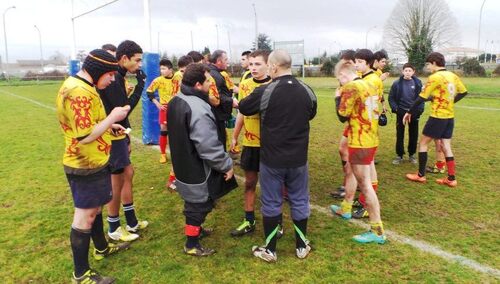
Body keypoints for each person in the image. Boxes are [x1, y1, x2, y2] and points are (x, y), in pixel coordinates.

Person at [56, 49, 131, 283]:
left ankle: (101, 248)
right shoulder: (79, 91)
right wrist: (113, 118)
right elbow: (85, 135)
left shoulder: (85, 86)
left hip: (94, 160)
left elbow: (89, 123)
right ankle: (81, 274)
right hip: (84, 164)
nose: (111, 79)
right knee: (85, 216)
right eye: (109, 74)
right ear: (98, 71)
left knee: (96, 208)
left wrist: (108, 128)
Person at [239, 49, 317, 262]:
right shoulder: (306, 89)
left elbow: (245, 107)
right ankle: (301, 246)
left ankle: (270, 250)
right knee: (300, 200)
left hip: (272, 159)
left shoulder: (266, 90)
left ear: (273, 67)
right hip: (298, 159)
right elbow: (311, 112)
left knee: (272, 202)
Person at [167, 63, 237, 256]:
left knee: (193, 202)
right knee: (198, 205)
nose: (210, 84)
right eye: (207, 81)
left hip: (182, 162)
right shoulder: (197, 107)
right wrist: (226, 165)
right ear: (198, 84)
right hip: (196, 166)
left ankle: (196, 230)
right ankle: (191, 244)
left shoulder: (177, 99)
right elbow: (207, 145)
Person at [330, 60, 387, 244]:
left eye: (339, 79)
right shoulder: (369, 82)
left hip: (360, 141)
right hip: (371, 137)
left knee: (365, 185)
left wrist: (337, 97)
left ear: (343, 75)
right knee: (357, 177)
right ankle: (346, 208)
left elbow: (342, 116)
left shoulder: (351, 87)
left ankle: (377, 230)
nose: (340, 83)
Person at [99, 40, 148, 242]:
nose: (139, 65)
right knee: (117, 179)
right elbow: (124, 108)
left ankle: (131, 220)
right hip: (111, 135)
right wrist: (141, 86)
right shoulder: (114, 79)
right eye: (136, 61)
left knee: (128, 172)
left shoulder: (118, 77)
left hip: (119, 133)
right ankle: (114, 227)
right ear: (124, 59)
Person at [404, 52, 468, 187]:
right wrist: (449, 103)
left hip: (437, 116)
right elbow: (463, 92)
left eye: (428, 64)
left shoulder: (435, 77)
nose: (427, 67)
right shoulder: (453, 76)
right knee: (446, 146)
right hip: (449, 116)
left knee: (423, 143)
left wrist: (409, 111)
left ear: (434, 63)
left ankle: (420, 175)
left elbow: (422, 97)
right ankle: (451, 178)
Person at [229, 50, 272, 237]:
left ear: (268, 65)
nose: (253, 68)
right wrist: (235, 136)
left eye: (258, 64)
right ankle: (249, 220)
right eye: (251, 64)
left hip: (271, 145)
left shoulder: (274, 85)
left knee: (272, 186)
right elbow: (241, 112)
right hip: (251, 144)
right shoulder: (245, 85)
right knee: (250, 183)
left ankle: (275, 222)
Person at [350, 49, 383, 219]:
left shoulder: (371, 80)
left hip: (366, 130)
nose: (357, 65)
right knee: (369, 167)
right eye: (355, 61)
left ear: (369, 63)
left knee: (366, 172)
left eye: (360, 62)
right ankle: (363, 199)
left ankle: (365, 203)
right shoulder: (368, 78)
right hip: (368, 128)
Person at [330, 50, 356, 200]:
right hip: (355, 125)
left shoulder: (354, 85)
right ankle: (348, 184)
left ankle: (353, 195)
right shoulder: (355, 83)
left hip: (360, 130)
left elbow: (341, 116)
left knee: (361, 170)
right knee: (343, 150)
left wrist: (337, 99)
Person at [388, 63, 423, 164]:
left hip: (414, 112)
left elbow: (422, 98)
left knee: (413, 134)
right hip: (401, 112)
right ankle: (399, 155)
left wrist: (419, 111)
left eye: (410, 71)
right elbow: (391, 98)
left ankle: (412, 155)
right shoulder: (397, 83)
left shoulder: (418, 83)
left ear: (413, 72)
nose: (407, 72)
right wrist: (396, 109)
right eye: (406, 70)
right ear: (403, 72)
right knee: (400, 134)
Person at [208, 50, 239, 149]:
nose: (227, 62)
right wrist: (231, 101)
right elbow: (217, 95)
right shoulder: (214, 75)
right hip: (216, 113)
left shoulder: (217, 73)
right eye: (225, 60)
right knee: (219, 139)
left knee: (221, 136)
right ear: (218, 61)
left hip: (217, 113)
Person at [146, 59, 175, 164]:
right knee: (164, 130)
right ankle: (163, 154)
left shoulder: (178, 79)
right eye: (160, 68)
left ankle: (176, 154)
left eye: (164, 68)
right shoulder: (158, 80)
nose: (161, 70)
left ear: (170, 69)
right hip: (164, 108)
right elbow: (149, 91)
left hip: (176, 107)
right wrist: (157, 103)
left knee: (176, 131)